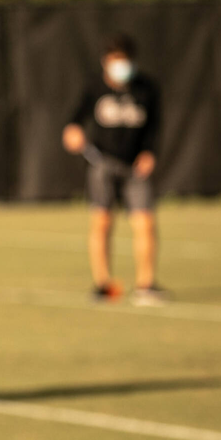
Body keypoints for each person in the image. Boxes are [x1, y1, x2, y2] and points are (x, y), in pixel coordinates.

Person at [62, 33, 163, 304]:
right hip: (102, 163)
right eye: (115, 60)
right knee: (102, 221)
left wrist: (150, 153)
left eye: (125, 60)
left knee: (145, 222)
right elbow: (74, 121)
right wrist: (73, 132)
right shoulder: (94, 86)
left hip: (135, 167)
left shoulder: (146, 89)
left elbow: (155, 128)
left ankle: (146, 285)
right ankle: (103, 283)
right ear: (105, 61)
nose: (121, 66)